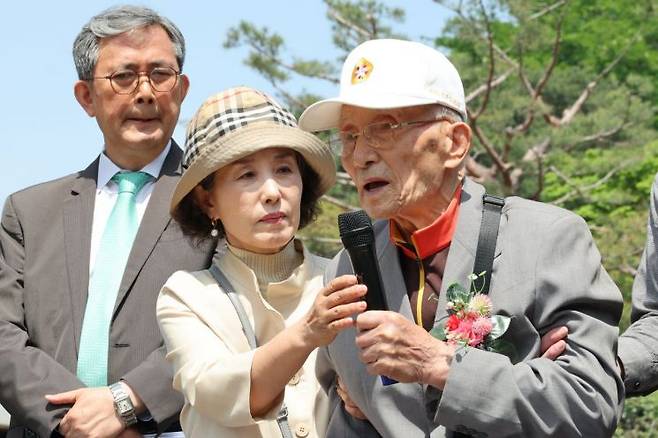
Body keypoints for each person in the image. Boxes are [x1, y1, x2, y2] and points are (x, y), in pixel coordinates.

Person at [298, 38, 624, 437]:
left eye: (383, 129)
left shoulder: (545, 239)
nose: (360, 155)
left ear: (455, 143)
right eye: (348, 136)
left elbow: (589, 405)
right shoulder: (346, 267)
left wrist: (441, 363)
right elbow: (344, 414)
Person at [0, 6, 214, 437]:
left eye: (160, 74)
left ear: (182, 87)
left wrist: (127, 404)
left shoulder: (215, 201)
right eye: (123, 77)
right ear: (85, 97)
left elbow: (233, 319)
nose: (146, 92)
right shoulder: (29, 211)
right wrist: (77, 421)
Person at [156, 86, 365, 438]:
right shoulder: (188, 295)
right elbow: (217, 391)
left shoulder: (343, 277)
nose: (272, 192)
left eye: (284, 169)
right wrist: (307, 332)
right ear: (209, 202)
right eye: (246, 175)